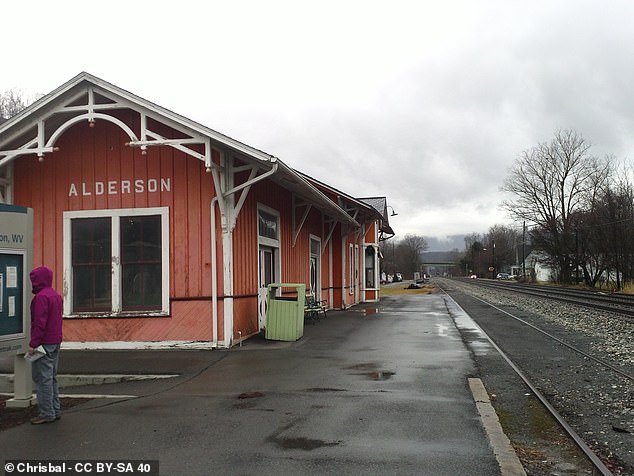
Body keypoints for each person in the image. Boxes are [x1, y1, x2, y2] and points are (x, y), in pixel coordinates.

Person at [28, 266, 63, 425]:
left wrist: (33, 343)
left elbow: (40, 323)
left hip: (44, 343)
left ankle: (46, 413)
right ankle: (55, 409)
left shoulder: (41, 297)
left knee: (43, 378)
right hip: (55, 341)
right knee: (51, 377)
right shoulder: (55, 295)